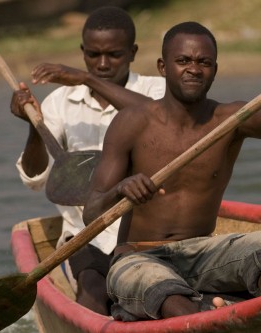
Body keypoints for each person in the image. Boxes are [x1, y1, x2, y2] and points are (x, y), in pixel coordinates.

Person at [82, 21, 261, 321]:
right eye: (183, 61)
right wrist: (121, 190)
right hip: (138, 256)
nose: (193, 69)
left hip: (203, 253)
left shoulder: (229, 119)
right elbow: (90, 213)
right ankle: (201, 323)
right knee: (159, 286)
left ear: (214, 70)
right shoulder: (131, 122)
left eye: (203, 62)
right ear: (163, 67)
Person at [10, 6, 165, 316]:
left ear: (132, 52)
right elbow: (34, 178)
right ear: (83, 51)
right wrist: (34, 126)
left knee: (158, 295)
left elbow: (160, 119)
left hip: (148, 232)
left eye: (114, 55)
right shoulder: (60, 103)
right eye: (93, 55)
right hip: (86, 236)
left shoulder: (156, 90)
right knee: (91, 296)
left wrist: (86, 79)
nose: (102, 64)